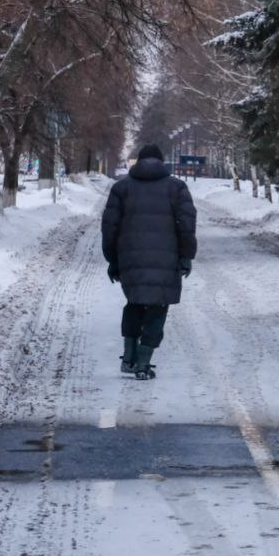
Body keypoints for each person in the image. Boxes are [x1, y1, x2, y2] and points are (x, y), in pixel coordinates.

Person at [101, 144, 197, 380]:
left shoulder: (121, 188)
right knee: (157, 307)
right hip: (167, 259)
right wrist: (186, 256)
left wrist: (113, 260)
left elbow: (109, 228)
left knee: (134, 303)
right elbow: (186, 225)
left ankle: (129, 358)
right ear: (162, 162)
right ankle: (143, 363)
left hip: (130, 259)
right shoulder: (177, 188)